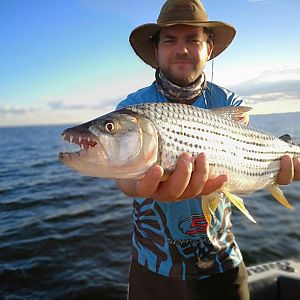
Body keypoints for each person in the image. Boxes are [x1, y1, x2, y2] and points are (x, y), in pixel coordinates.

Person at [115, 1, 300, 299]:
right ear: (157, 49)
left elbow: (244, 158)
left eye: (193, 40)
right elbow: (124, 176)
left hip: (221, 260)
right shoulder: (132, 109)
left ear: (209, 48)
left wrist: (275, 166)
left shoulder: (228, 100)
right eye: (170, 40)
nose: (182, 49)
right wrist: (134, 185)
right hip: (153, 266)